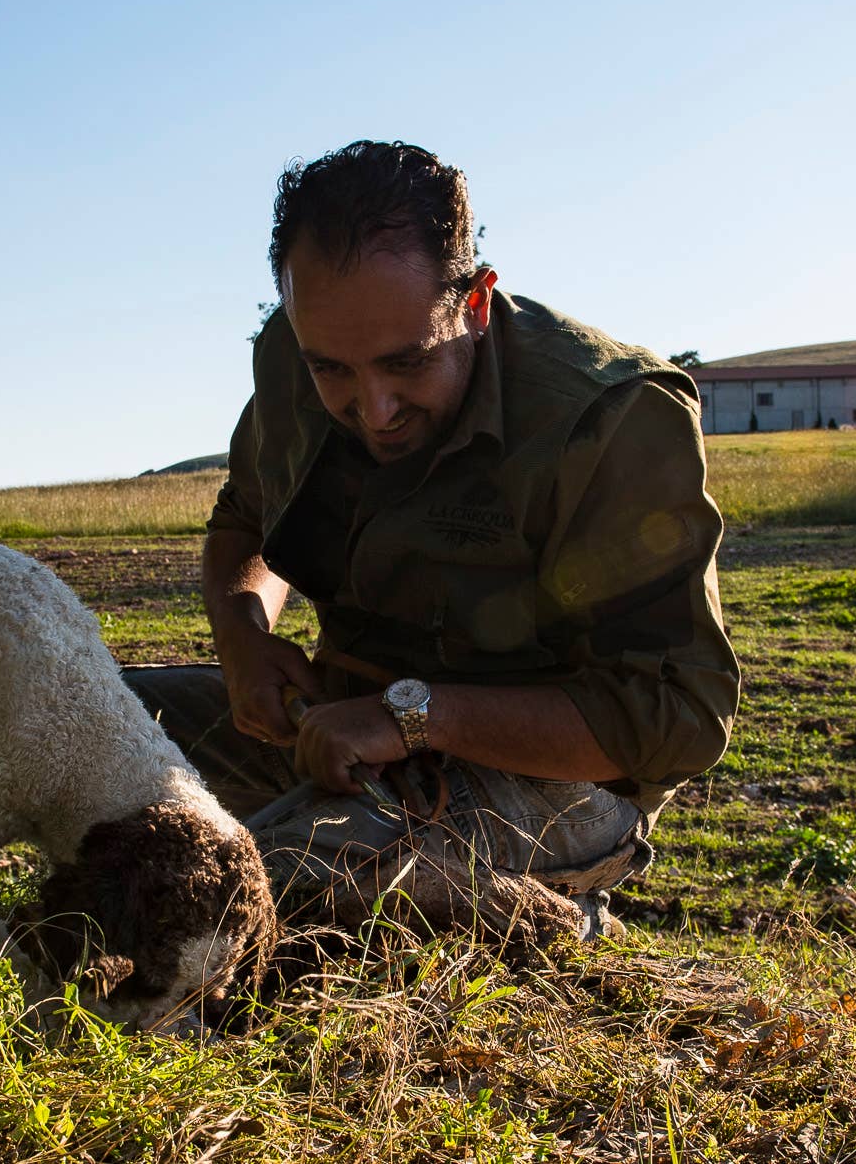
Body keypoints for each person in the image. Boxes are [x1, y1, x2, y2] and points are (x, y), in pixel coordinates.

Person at [124, 141, 740, 939]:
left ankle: (559, 912)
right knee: (72, 712)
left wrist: (416, 717)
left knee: (254, 895)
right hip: (335, 732)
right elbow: (244, 515)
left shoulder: (611, 420)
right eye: (333, 370)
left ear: (475, 302)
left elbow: (680, 717)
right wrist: (242, 633)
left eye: (405, 363)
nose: (372, 407)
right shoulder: (291, 354)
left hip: (550, 783)